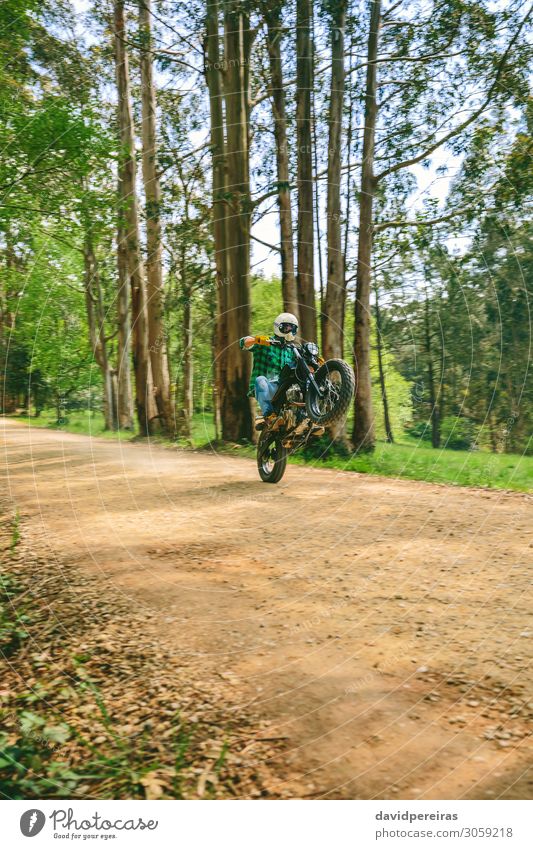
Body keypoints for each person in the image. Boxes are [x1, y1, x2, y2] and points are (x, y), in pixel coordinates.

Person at [239, 312, 299, 427]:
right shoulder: (266, 342)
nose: (290, 331)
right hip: (268, 388)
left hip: (285, 390)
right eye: (287, 327)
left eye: (293, 328)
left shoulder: (292, 350)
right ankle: (269, 415)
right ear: (279, 327)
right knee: (260, 379)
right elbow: (243, 343)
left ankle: (310, 417)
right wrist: (257, 340)